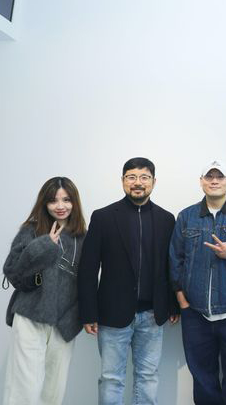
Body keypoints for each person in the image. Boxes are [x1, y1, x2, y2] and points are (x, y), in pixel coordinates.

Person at [77, 157, 178, 405]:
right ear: (122, 181)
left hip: (152, 315)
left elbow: (171, 266)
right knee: (111, 378)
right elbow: (88, 268)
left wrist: (173, 305)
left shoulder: (167, 219)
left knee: (148, 377)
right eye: (131, 177)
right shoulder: (103, 217)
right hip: (112, 314)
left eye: (144, 177)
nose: (138, 183)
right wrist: (88, 312)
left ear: (154, 181)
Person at [169, 160, 226, 404]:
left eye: (220, 177)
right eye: (209, 177)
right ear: (201, 182)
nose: (214, 181)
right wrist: (182, 300)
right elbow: (175, 259)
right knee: (202, 378)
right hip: (195, 312)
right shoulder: (187, 216)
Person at [2, 176, 87, 405]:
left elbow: (87, 281)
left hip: (64, 322)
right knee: (24, 390)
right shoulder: (31, 231)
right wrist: (44, 246)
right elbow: (13, 272)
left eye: (66, 200)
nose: (60, 206)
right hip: (31, 317)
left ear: (74, 202)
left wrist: (79, 317)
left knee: (53, 391)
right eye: (53, 200)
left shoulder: (82, 237)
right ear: (44, 203)